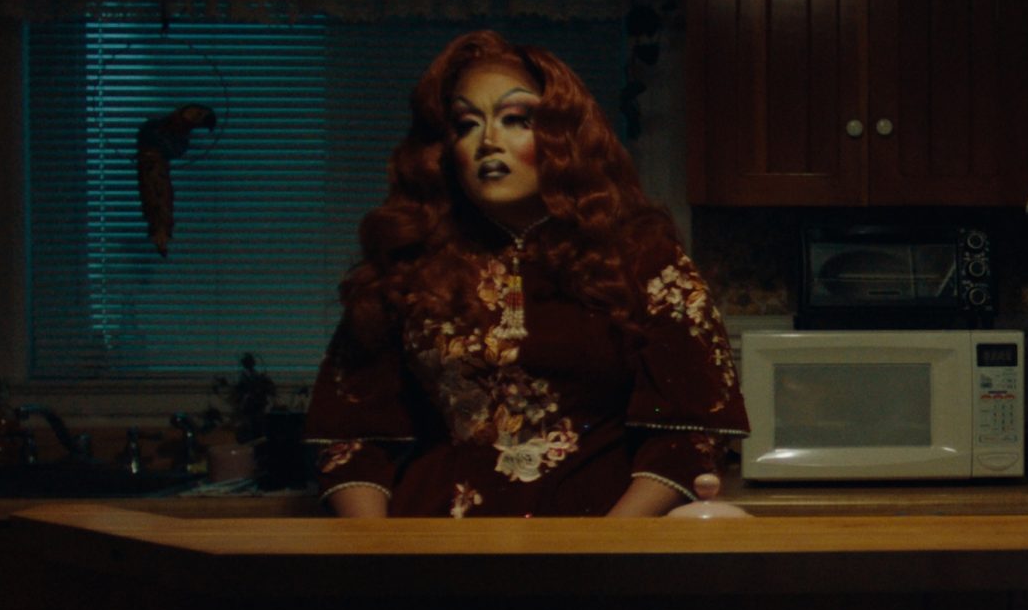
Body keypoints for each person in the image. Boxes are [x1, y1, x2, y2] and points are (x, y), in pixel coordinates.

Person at [303, 30, 747, 517]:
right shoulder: (408, 267)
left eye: (516, 120)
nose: (488, 142)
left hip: (601, 549)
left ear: (563, 136)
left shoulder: (643, 262)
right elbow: (352, 437)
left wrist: (610, 549)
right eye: (466, 124)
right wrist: (377, 556)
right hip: (433, 554)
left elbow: (687, 435)